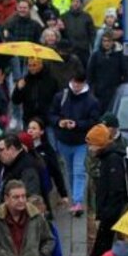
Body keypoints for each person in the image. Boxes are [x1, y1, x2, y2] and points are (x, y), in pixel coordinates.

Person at [84, 124, 128, 256]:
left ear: (99, 144)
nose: (89, 148)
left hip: (112, 220)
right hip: (111, 218)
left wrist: (105, 218)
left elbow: (115, 193)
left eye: (91, 144)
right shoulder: (110, 158)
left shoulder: (112, 160)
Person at [48, 73, 101, 216]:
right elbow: (52, 115)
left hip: (81, 142)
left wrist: (77, 124)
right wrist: (60, 122)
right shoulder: (61, 97)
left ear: (84, 84)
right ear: (71, 81)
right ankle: (75, 200)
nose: (77, 86)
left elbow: (94, 121)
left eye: (80, 83)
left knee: (79, 171)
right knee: (70, 172)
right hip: (64, 140)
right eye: (75, 83)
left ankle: (78, 201)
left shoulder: (91, 101)